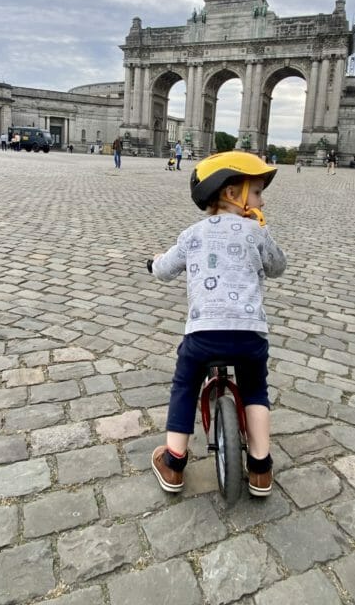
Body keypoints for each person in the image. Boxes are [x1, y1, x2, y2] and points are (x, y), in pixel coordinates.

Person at [149, 152, 287, 497]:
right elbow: (278, 266)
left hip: (203, 335)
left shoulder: (192, 233)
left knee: (184, 385)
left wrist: (151, 264)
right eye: (256, 191)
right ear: (230, 193)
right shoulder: (256, 231)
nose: (262, 199)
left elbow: (165, 269)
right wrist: (263, 232)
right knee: (256, 390)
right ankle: (260, 470)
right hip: (250, 336)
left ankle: (174, 462)